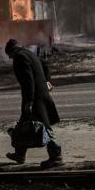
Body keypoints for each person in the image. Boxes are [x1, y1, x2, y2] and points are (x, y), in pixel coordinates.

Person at [4, 38, 63, 168]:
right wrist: (47, 81)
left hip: (35, 97)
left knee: (44, 128)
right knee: (23, 125)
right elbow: (45, 64)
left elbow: (27, 81)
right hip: (41, 94)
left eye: (9, 56)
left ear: (12, 51)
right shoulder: (29, 53)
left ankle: (56, 155)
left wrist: (29, 102)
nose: (10, 58)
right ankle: (19, 154)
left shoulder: (19, 57)